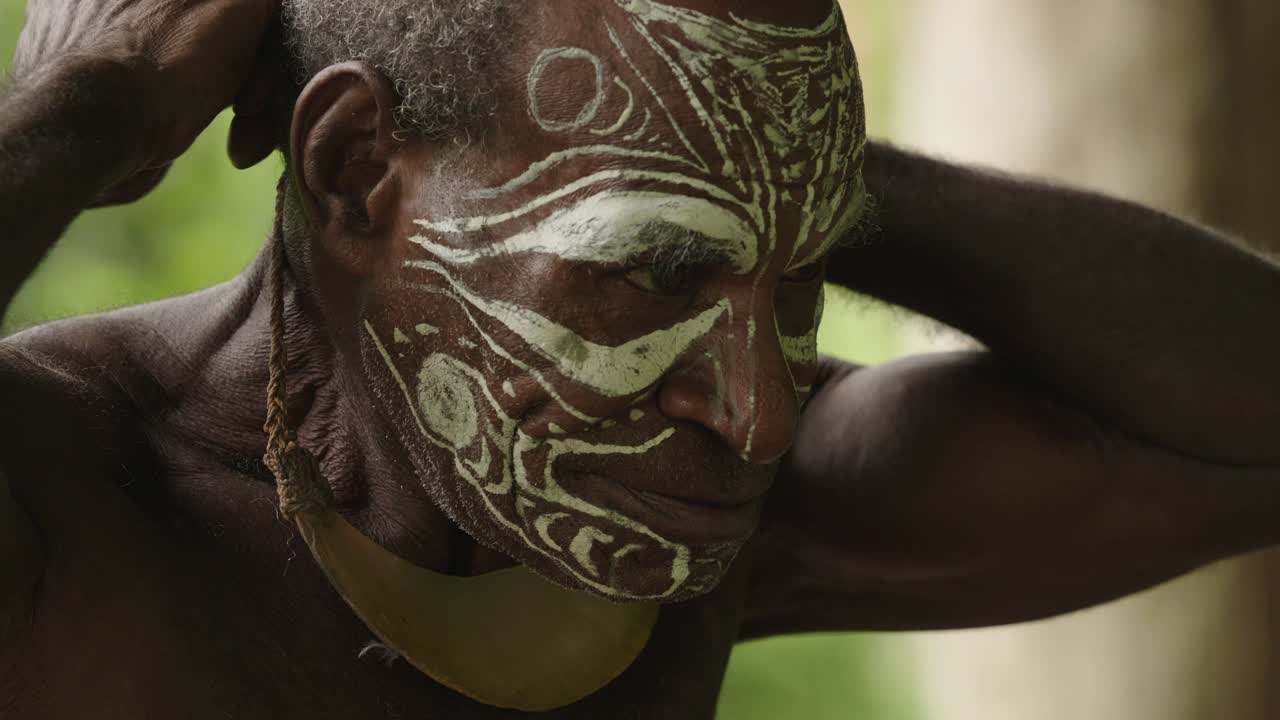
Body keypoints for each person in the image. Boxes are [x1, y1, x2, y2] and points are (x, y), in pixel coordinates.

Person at [2, 0, 1279, 716]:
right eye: (654, 268)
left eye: (800, 280)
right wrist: (77, 114)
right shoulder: (63, 503)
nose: (762, 417)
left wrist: (775, 166)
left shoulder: (674, 531)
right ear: (352, 175)